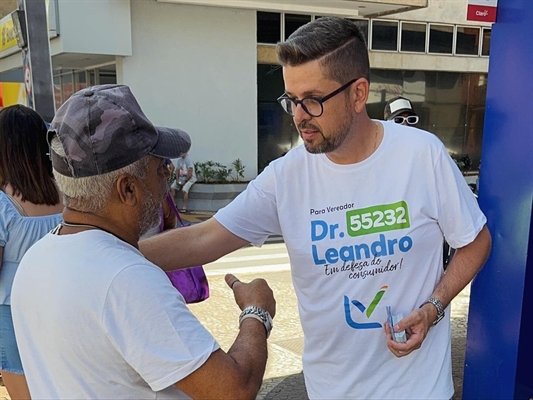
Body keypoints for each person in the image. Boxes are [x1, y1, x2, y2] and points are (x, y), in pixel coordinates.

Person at [140, 17, 492, 399]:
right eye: (291, 100)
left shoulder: (421, 155)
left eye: (312, 100)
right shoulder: (286, 176)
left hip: (419, 391)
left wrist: (433, 307)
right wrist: (100, 250)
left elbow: (475, 240)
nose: (298, 116)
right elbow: (204, 238)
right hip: (330, 391)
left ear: (358, 94)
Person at [11, 84, 276, 399]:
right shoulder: (127, 279)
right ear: (128, 189)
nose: (168, 175)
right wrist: (256, 313)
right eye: (160, 166)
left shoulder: (36, 258)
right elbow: (233, 390)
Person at [0, 105, 63, 400]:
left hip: (10, 309)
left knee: (21, 385)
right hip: (59, 301)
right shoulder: (66, 193)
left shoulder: (3, 203)